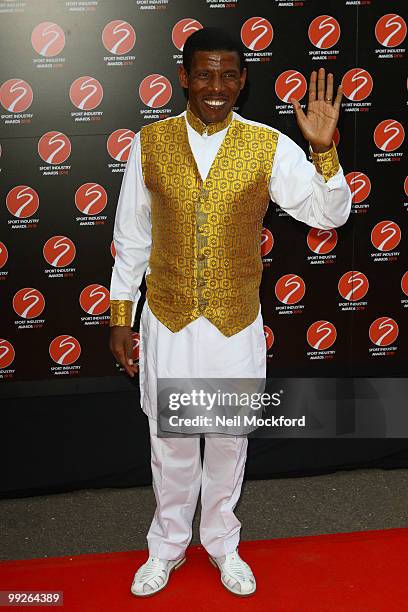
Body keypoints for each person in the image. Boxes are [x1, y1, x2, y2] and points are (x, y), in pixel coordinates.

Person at [109, 27, 351, 597]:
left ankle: (222, 543)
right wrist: (121, 316)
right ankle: (166, 546)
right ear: (184, 77)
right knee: (170, 443)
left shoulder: (267, 144)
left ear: (242, 83)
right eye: (204, 73)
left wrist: (323, 149)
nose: (215, 86)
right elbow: (132, 237)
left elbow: (329, 215)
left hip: (233, 323)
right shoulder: (150, 143)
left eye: (227, 75)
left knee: (226, 442)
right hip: (166, 321)